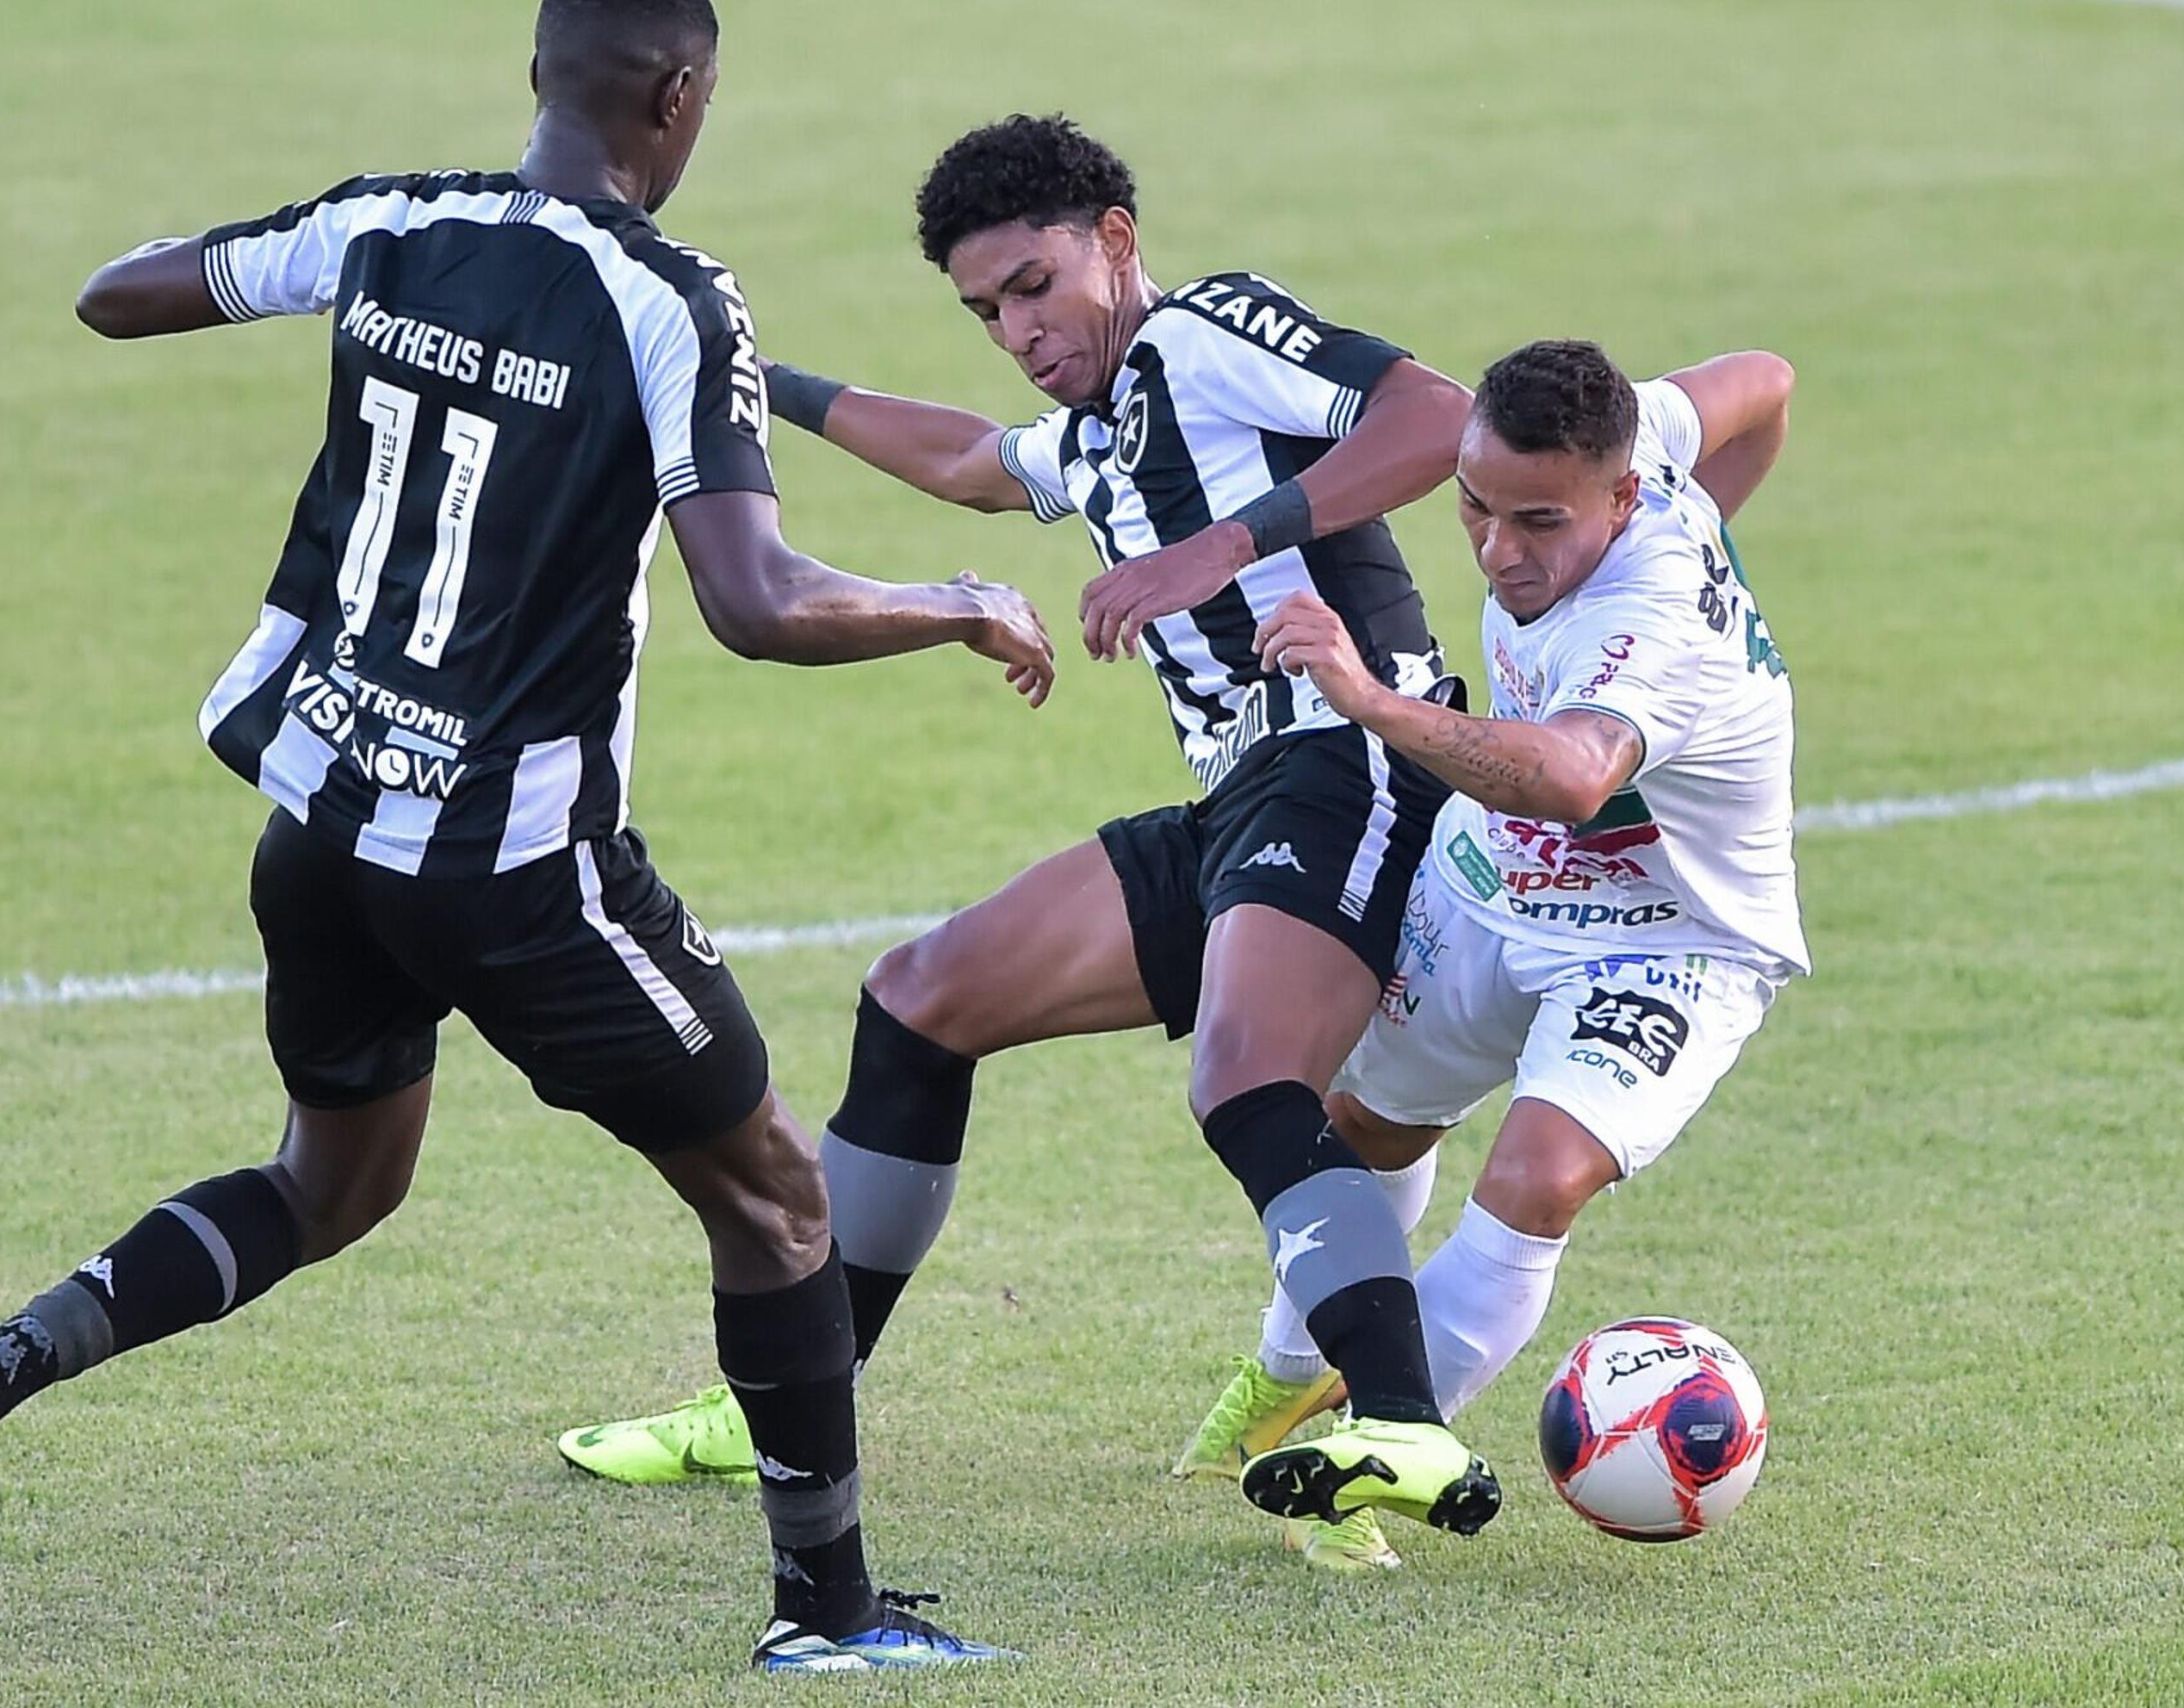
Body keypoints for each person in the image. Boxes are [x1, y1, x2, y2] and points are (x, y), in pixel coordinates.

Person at [0, 0, 1046, 1674]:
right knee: (777, 1201)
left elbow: (118, 293)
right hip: (513, 869)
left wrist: (362, 314)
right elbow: (756, 602)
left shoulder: (387, 224)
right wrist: (957, 601)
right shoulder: (670, 298)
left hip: (322, 826)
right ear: (678, 101)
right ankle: (825, 1619)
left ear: (537, 76)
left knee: (332, 1184)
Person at [559, 114, 1503, 1557]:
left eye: (1035, 286)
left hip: (1352, 758)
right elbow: (969, 461)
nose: (1017, 329)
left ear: (1115, 243)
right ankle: (785, 1406)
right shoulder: (1102, 431)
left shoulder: (1202, 335)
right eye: (985, 309)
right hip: (1243, 804)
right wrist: (748, 384)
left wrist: (1220, 547)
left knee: (1248, 1080)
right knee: (919, 999)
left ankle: (1401, 1425)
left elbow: (1438, 417)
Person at [1178, 338, 1802, 1568]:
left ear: (1622, 501)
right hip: (1497, 879)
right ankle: (1283, 1377)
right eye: (1474, 504)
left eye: (1539, 523)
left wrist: (1370, 698)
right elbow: (1766, 380)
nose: (1499, 549)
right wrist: (1718, 526)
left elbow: (1572, 777)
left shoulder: (1653, 622)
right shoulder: (1647, 444)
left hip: (1667, 943)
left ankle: (1373, 1461)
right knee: (1365, 1127)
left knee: (1535, 1179)